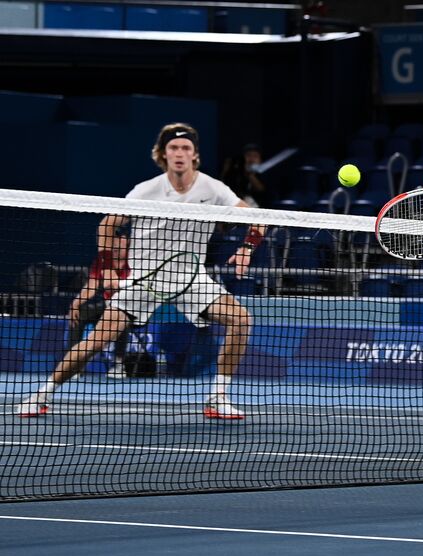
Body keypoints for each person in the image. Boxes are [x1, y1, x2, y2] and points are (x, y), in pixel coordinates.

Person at [17, 123, 261, 420]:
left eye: (186, 148)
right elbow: (107, 224)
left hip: (191, 279)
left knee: (241, 319)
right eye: (173, 148)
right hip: (144, 280)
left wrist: (247, 248)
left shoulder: (213, 188)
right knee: (96, 340)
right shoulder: (145, 191)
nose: (179, 153)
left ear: (195, 154)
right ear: (163, 154)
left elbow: (259, 219)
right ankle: (40, 395)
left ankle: (217, 398)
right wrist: (107, 269)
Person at [67, 238, 132, 378]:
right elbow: (92, 286)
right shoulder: (103, 260)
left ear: (127, 243)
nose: (114, 246)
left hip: (129, 306)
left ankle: (119, 364)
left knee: (124, 315)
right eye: (112, 244)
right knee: (79, 314)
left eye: (118, 243)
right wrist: (76, 303)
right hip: (106, 304)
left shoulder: (136, 261)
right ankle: (74, 365)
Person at [221, 142, 266, 207]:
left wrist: (250, 174)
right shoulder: (236, 174)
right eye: (248, 155)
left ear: (260, 160)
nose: (251, 159)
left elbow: (261, 190)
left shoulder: (265, 174)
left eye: (255, 156)